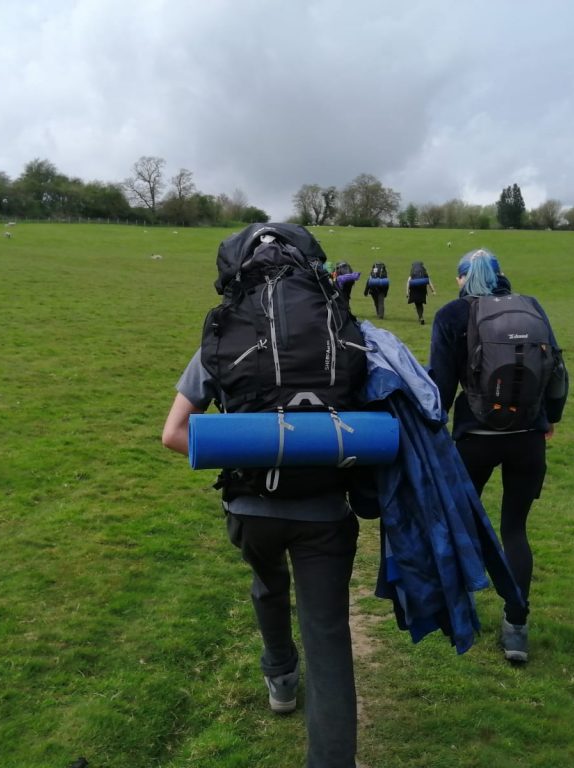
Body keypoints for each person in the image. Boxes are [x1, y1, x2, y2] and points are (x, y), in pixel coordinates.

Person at [162, 226, 364, 768]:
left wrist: (249, 449)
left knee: (267, 582)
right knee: (329, 639)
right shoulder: (344, 330)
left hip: (251, 510)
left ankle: (279, 676)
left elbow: (173, 433)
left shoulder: (222, 336)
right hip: (325, 512)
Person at [427, 248, 568, 663]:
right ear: (501, 276)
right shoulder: (531, 307)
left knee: (461, 526)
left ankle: (456, 614)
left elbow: (440, 381)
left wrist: (431, 424)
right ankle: (516, 627)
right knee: (514, 529)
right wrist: (550, 418)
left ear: (461, 279)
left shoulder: (452, 315)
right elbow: (557, 371)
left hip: (475, 439)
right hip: (528, 437)